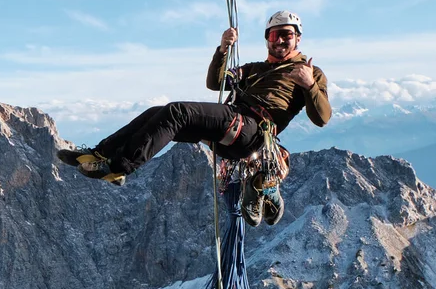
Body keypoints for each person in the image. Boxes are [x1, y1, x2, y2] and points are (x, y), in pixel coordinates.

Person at [59, 10, 330, 187]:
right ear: (267, 40)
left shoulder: (310, 73)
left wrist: (309, 86)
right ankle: (99, 153)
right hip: (233, 126)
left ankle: (119, 167)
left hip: (252, 129)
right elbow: (216, 83)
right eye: (274, 35)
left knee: (178, 112)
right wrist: (223, 50)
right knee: (159, 112)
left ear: (298, 39)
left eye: (287, 35)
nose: (280, 40)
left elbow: (321, 118)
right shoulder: (255, 69)